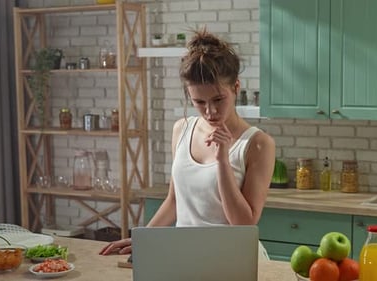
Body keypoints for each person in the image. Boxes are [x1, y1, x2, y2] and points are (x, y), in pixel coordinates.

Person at [99, 28, 275, 258]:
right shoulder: (181, 129)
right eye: (199, 102)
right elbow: (174, 201)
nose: (210, 111)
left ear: (236, 88)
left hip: (233, 260)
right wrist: (143, 238)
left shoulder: (258, 144)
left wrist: (223, 160)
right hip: (186, 256)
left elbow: (244, 224)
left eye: (218, 100)